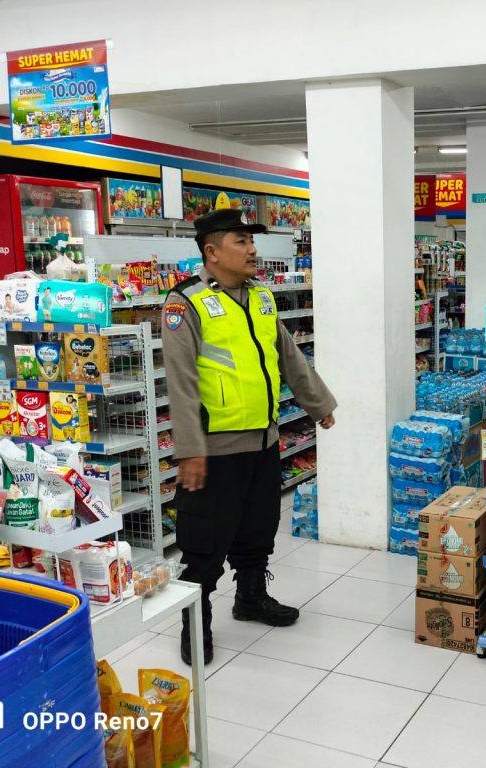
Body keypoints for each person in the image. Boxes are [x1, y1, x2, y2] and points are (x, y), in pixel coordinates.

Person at [163, 207, 337, 666]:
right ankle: (195, 621)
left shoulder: (261, 297)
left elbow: (288, 355)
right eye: (241, 241)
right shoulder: (185, 303)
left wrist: (318, 404)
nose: (253, 249)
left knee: (259, 528)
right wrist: (190, 450)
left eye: (251, 241)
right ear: (212, 251)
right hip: (215, 448)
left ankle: (251, 596)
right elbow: (181, 382)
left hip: (264, 440)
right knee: (204, 542)